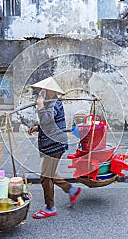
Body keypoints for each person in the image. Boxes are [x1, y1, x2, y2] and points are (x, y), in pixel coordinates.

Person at [27, 77, 81, 219]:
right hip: (53, 143)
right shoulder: (50, 102)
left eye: (44, 89)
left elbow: (47, 120)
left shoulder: (53, 104)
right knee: (50, 173)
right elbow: (49, 124)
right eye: (41, 89)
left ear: (50, 91)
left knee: (45, 177)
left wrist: (39, 106)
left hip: (54, 145)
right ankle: (71, 190)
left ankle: (50, 208)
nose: (41, 91)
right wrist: (37, 128)